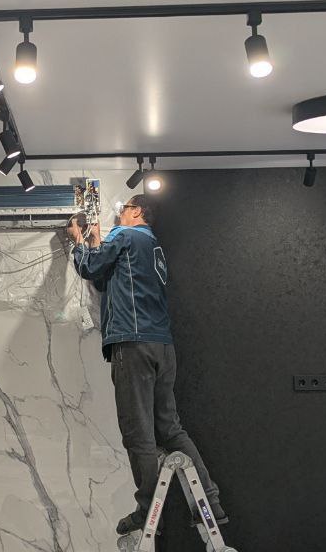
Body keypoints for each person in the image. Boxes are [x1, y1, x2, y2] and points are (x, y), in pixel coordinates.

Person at [67, 194, 227, 536]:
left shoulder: (126, 235)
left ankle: (148, 511)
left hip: (134, 345)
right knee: (169, 428)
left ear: (137, 211)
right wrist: (96, 244)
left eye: (122, 210)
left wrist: (79, 241)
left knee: (138, 433)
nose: (118, 216)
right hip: (162, 347)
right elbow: (104, 279)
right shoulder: (152, 247)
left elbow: (89, 269)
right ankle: (210, 502)